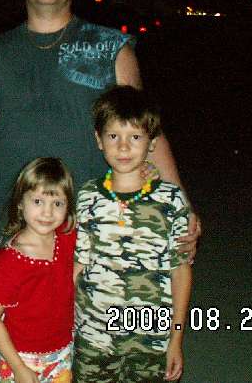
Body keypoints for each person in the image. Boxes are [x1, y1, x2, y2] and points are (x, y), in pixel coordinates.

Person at [0, 0, 200, 379]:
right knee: (8, 358)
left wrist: (182, 205)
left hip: (89, 234)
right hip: (8, 231)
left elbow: (147, 133)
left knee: (84, 359)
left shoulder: (111, 47)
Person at [73, 86, 192, 382]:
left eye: (135, 137)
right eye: (114, 136)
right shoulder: (87, 197)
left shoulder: (171, 200)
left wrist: (176, 339)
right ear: (98, 140)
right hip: (93, 338)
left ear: (152, 142)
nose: (124, 147)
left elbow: (180, 271)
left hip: (151, 341)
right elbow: (77, 266)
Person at [0, 157, 76, 383]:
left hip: (62, 354)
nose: (47, 212)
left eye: (57, 203)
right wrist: (18, 367)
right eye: (38, 201)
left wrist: (145, 172)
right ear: (20, 203)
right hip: (19, 358)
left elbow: (104, 214)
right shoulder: (8, 262)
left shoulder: (67, 236)